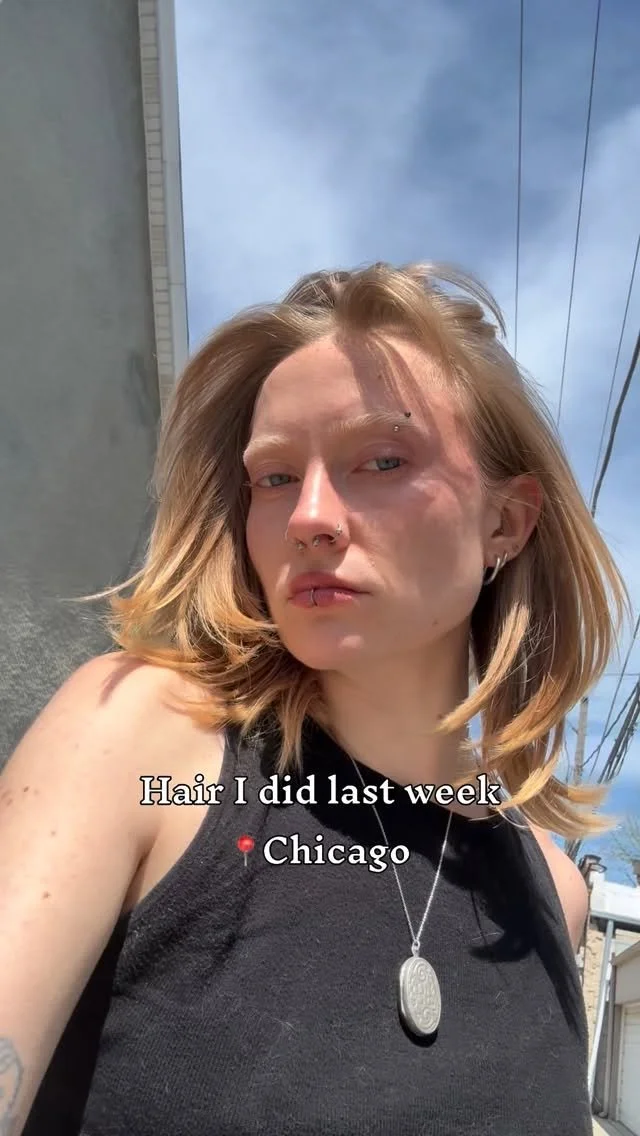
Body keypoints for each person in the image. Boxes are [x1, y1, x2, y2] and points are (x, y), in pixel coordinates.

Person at [1, 261, 629, 1136]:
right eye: (275, 477)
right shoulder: (142, 738)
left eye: (382, 459)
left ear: (505, 522)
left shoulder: (552, 893)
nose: (308, 516)